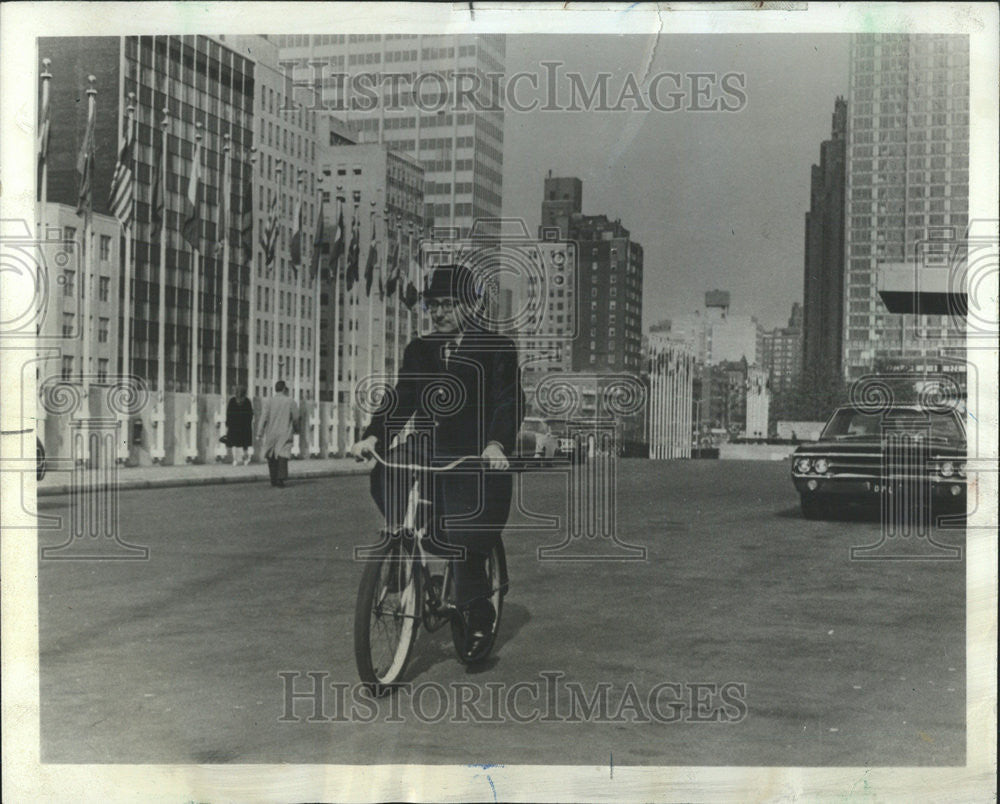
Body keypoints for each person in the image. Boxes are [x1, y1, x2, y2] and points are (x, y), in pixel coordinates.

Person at [349, 262, 524, 657]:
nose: (440, 312)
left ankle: (478, 617)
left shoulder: (497, 348)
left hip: (473, 455)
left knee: (464, 539)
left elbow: (507, 402)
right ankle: (401, 548)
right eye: (434, 305)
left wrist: (496, 444)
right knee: (387, 469)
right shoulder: (420, 350)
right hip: (429, 447)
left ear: (471, 306)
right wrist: (374, 435)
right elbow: (400, 400)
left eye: (449, 304)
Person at [257, 380, 297, 488]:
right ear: (284, 389)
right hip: (285, 432)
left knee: (271, 455)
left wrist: (259, 432)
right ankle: (280, 478)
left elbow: (263, 418)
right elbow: (296, 418)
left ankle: (273, 478)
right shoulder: (290, 401)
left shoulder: (269, 401)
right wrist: (297, 429)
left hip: (271, 432)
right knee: (282, 455)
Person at [226, 386, 254, 466]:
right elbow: (250, 415)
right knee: (245, 444)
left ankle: (235, 460)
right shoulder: (247, 401)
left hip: (234, 426)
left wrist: (228, 424)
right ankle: (245, 460)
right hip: (245, 426)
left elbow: (229, 414)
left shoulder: (232, 401)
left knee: (234, 444)